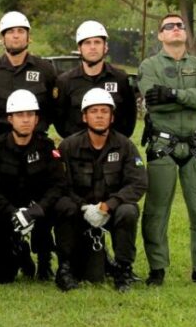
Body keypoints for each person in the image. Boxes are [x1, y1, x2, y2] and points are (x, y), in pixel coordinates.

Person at [137, 13, 196, 288]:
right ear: (160, 35)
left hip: (195, 147)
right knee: (156, 210)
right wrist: (194, 99)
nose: (175, 29)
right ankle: (157, 269)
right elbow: (153, 101)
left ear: (185, 33)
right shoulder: (149, 65)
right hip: (162, 146)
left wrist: (174, 95)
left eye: (180, 26)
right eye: (169, 26)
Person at [54, 88, 147, 292]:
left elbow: (138, 182)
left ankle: (123, 270)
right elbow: (60, 185)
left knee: (128, 211)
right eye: (93, 111)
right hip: (80, 213)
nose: (99, 116)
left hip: (111, 212)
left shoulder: (125, 146)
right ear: (84, 117)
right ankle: (65, 269)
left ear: (112, 117)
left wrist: (109, 205)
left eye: (104, 111)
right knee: (62, 206)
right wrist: (83, 207)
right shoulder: (68, 146)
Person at [0, 89, 65, 284]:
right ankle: (18, 250)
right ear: (10, 119)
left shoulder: (47, 147)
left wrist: (37, 210)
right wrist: (14, 212)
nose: (25, 119)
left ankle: (45, 259)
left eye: (30, 114)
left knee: (62, 207)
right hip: (7, 211)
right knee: (0, 277)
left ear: (37, 119)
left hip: (39, 209)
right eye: (19, 115)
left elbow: (58, 184)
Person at [0, 11, 57, 137]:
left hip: (37, 140)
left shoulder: (46, 70)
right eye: (10, 31)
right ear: (2, 38)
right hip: (0, 140)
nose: (16, 35)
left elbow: (55, 107)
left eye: (21, 31)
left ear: (28, 37)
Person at [55, 20, 136, 139]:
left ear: (105, 47)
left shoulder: (121, 79)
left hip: (113, 146)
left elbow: (129, 118)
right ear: (79, 48)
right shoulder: (65, 82)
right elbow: (60, 122)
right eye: (87, 43)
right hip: (77, 148)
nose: (92, 47)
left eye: (97, 42)